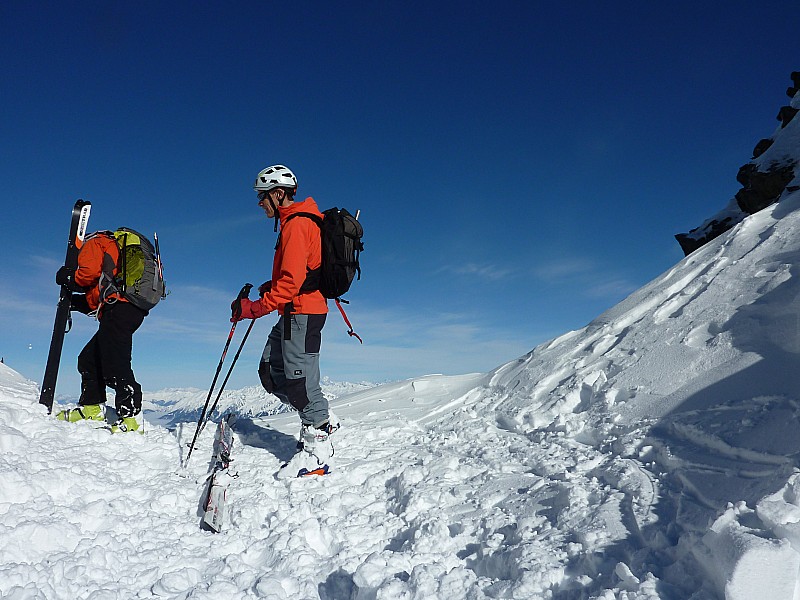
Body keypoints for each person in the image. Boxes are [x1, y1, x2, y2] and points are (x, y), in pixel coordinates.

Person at [232, 164, 339, 477]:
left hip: (304, 312)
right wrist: (270, 288)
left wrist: (252, 308)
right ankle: (318, 418)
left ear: (278, 194)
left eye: (262, 196)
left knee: (299, 382)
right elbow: (295, 276)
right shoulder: (291, 224)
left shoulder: (296, 225)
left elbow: (292, 284)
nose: (259, 203)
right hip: (293, 311)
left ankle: (318, 450)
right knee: (270, 372)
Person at [54, 231, 147, 433]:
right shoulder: (113, 258)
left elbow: (86, 274)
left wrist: (69, 277)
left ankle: (132, 421)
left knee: (116, 363)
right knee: (89, 359)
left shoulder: (96, 242)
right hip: (124, 309)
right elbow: (97, 296)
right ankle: (92, 408)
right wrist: (76, 302)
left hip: (120, 308)